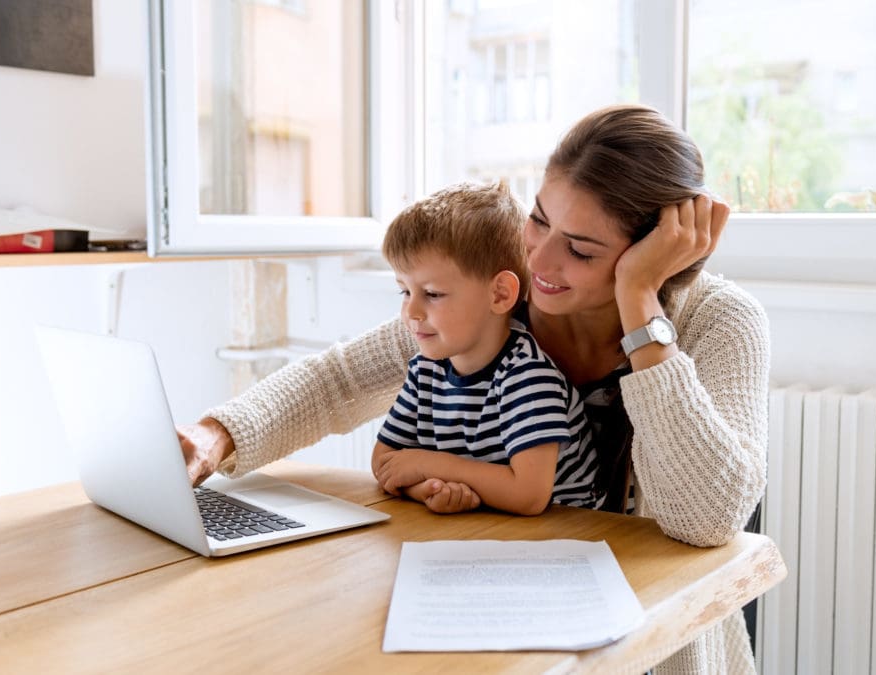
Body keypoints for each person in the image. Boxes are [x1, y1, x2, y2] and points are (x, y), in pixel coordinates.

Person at [177, 104, 770, 674]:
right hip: (502, 610)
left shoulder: (719, 322)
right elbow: (342, 380)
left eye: (581, 250)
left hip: (650, 643)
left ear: (653, 254)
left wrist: (640, 303)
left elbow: (706, 518)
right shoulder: (503, 291)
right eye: (539, 219)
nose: (539, 258)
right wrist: (215, 436)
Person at [371, 181, 603, 515]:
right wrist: (427, 488)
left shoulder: (529, 377)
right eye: (404, 292)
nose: (411, 312)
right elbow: (386, 462)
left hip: (566, 541)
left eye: (433, 294)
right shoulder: (426, 370)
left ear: (500, 295)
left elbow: (528, 495)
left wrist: (427, 463)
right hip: (490, 533)